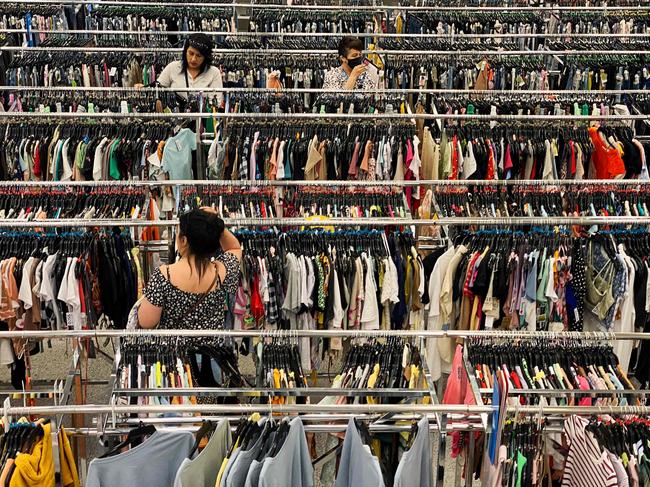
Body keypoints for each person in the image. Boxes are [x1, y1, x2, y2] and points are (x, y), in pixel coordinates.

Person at [137, 207, 241, 335]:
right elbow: (234, 248)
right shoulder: (222, 272)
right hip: (211, 352)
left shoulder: (163, 276)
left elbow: (146, 322)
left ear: (184, 240)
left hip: (174, 352)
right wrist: (215, 222)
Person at [135, 33, 224, 106]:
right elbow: (158, 89)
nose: (193, 59)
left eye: (199, 56)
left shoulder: (214, 73)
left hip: (204, 124)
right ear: (185, 51)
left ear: (206, 57)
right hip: (176, 122)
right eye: (191, 53)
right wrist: (144, 88)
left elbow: (217, 103)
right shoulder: (173, 67)